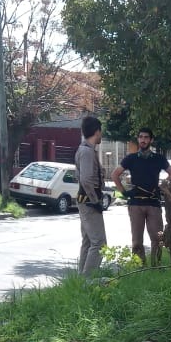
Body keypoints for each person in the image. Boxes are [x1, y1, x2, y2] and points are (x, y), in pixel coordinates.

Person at [111, 128, 171, 265]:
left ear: (151, 140)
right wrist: (124, 192)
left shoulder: (159, 159)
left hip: (153, 203)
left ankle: (155, 266)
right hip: (135, 204)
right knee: (136, 241)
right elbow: (115, 175)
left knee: (157, 238)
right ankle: (139, 266)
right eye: (141, 137)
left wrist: (163, 184)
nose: (143, 140)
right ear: (138, 139)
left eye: (146, 137)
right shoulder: (131, 158)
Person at [75, 115, 106, 275]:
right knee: (99, 243)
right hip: (89, 203)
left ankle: (82, 280)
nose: (101, 135)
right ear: (96, 131)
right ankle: (88, 281)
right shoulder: (86, 151)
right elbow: (86, 180)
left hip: (85, 202)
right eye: (101, 132)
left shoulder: (85, 150)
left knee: (88, 242)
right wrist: (95, 201)